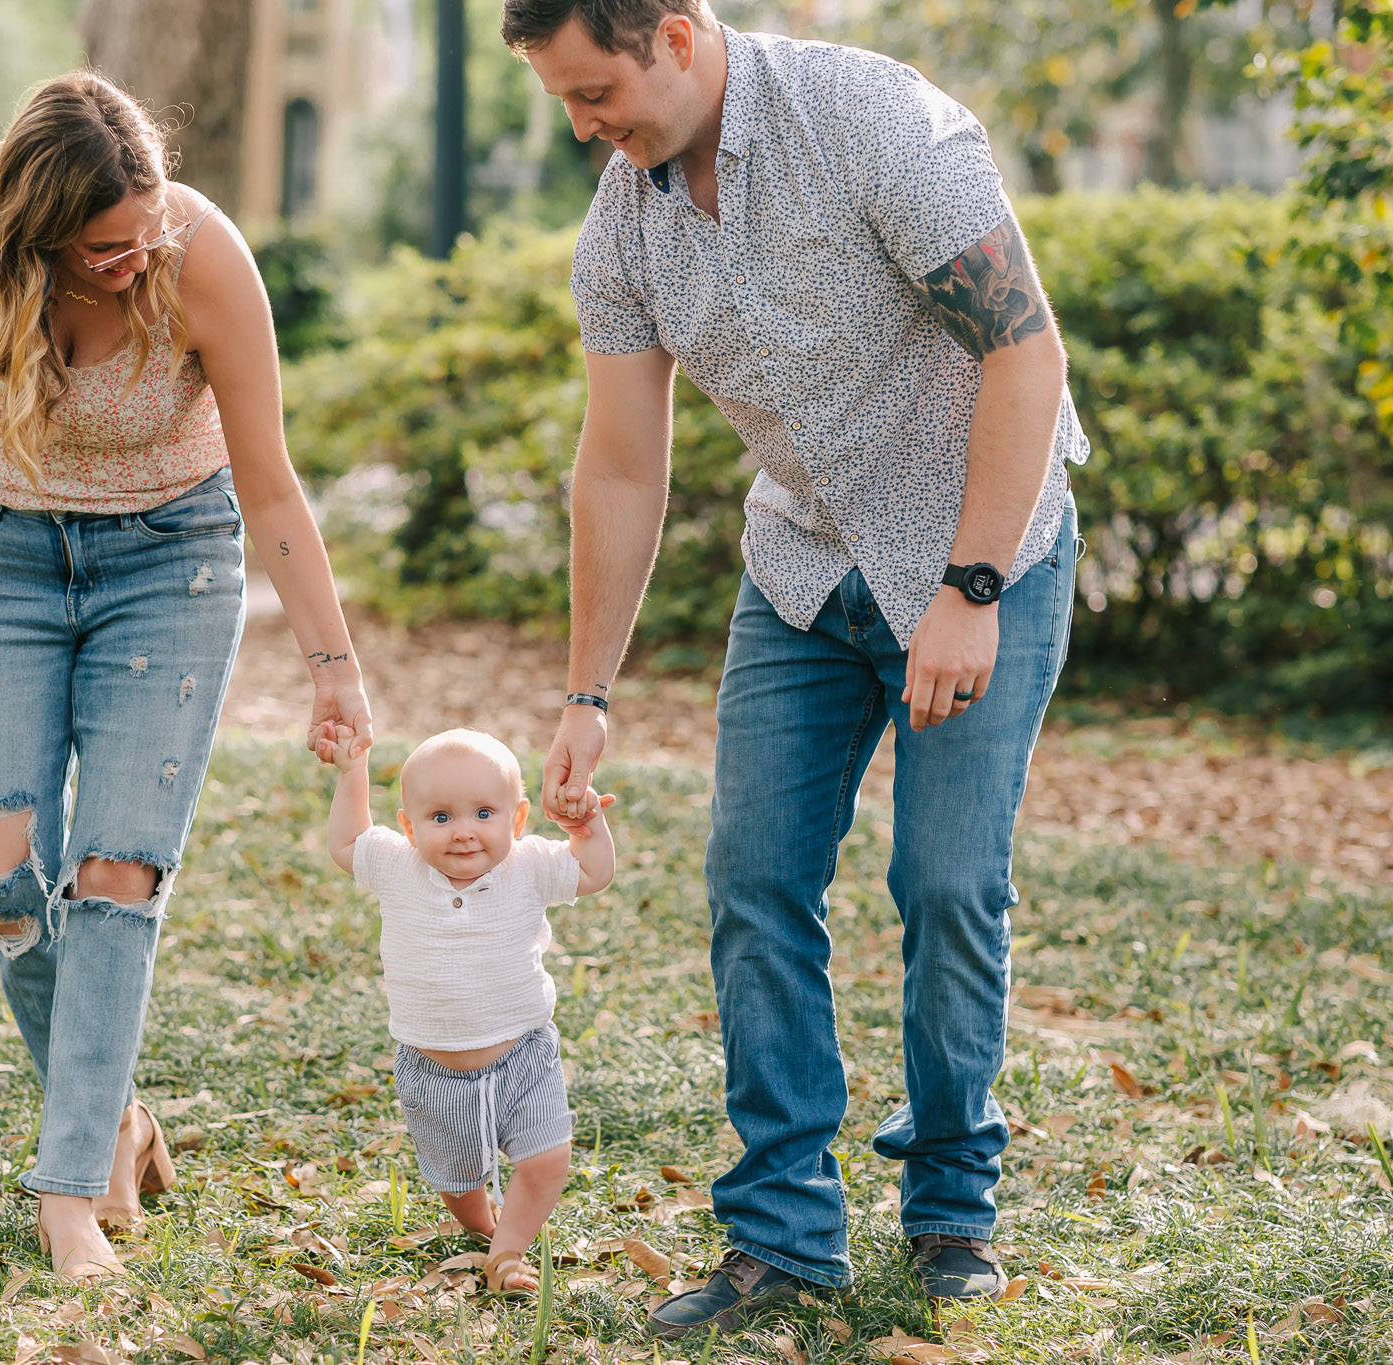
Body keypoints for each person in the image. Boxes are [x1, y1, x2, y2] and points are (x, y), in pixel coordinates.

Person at [506, 0, 1087, 1322]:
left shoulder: (876, 122)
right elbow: (618, 461)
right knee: (753, 883)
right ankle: (782, 1237)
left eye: (599, 91)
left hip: (983, 547)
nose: (588, 126)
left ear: (676, 30)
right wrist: (588, 690)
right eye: (565, 104)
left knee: (944, 885)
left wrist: (969, 586)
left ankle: (949, 1210)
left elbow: (1024, 347)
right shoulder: (627, 225)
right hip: (807, 575)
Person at [0, 73, 371, 1280]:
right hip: (3, 561)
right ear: (33, 226)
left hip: (171, 563)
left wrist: (331, 667)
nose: (137, 257)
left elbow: (270, 479)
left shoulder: (201, 255)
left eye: (147, 234)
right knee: (4, 875)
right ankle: (116, 1114)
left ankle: (70, 1187)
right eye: (104, 246)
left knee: (116, 870)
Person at [320, 726, 615, 1292]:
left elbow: (593, 873)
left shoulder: (529, 866)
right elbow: (346, 843)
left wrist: (587, 828)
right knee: (457, 1181)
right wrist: (351, 772)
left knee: (547, 1158)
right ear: (408, 827)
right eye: (440, 818)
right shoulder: (396, 866)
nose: (463, 833)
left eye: (484, 813)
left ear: (518, 819)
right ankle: (484, 1229)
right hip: (432, 1068)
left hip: (522, 1052)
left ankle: (509, 1254)